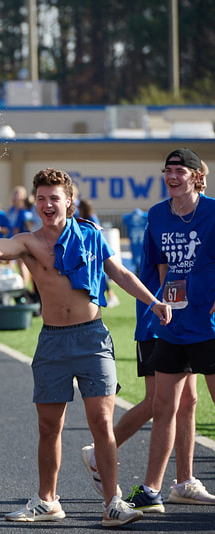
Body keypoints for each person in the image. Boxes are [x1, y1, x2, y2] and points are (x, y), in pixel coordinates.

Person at [0, 168, 172, 527]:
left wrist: (153, 301)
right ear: (36, 203)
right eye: (42, 198)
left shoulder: (91, 235)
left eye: (54, 198)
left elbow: (119, 273)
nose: (48, 205)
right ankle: (47, 501)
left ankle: (113, 503)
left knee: (102, 423)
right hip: (52, 340)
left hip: (92, 337)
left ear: (69, 202)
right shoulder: (29, 242)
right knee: (49, 427)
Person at [124, 148, 215, 512]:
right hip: (173, 326)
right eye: (167, 171)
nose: (172, 176)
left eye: (179, 170)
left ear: (195, 175)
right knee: (163, 408)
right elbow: (161, 265)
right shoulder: (157, 214)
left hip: (208, 326)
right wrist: (166, 302)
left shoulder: (212, 210)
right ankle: (151, 490)